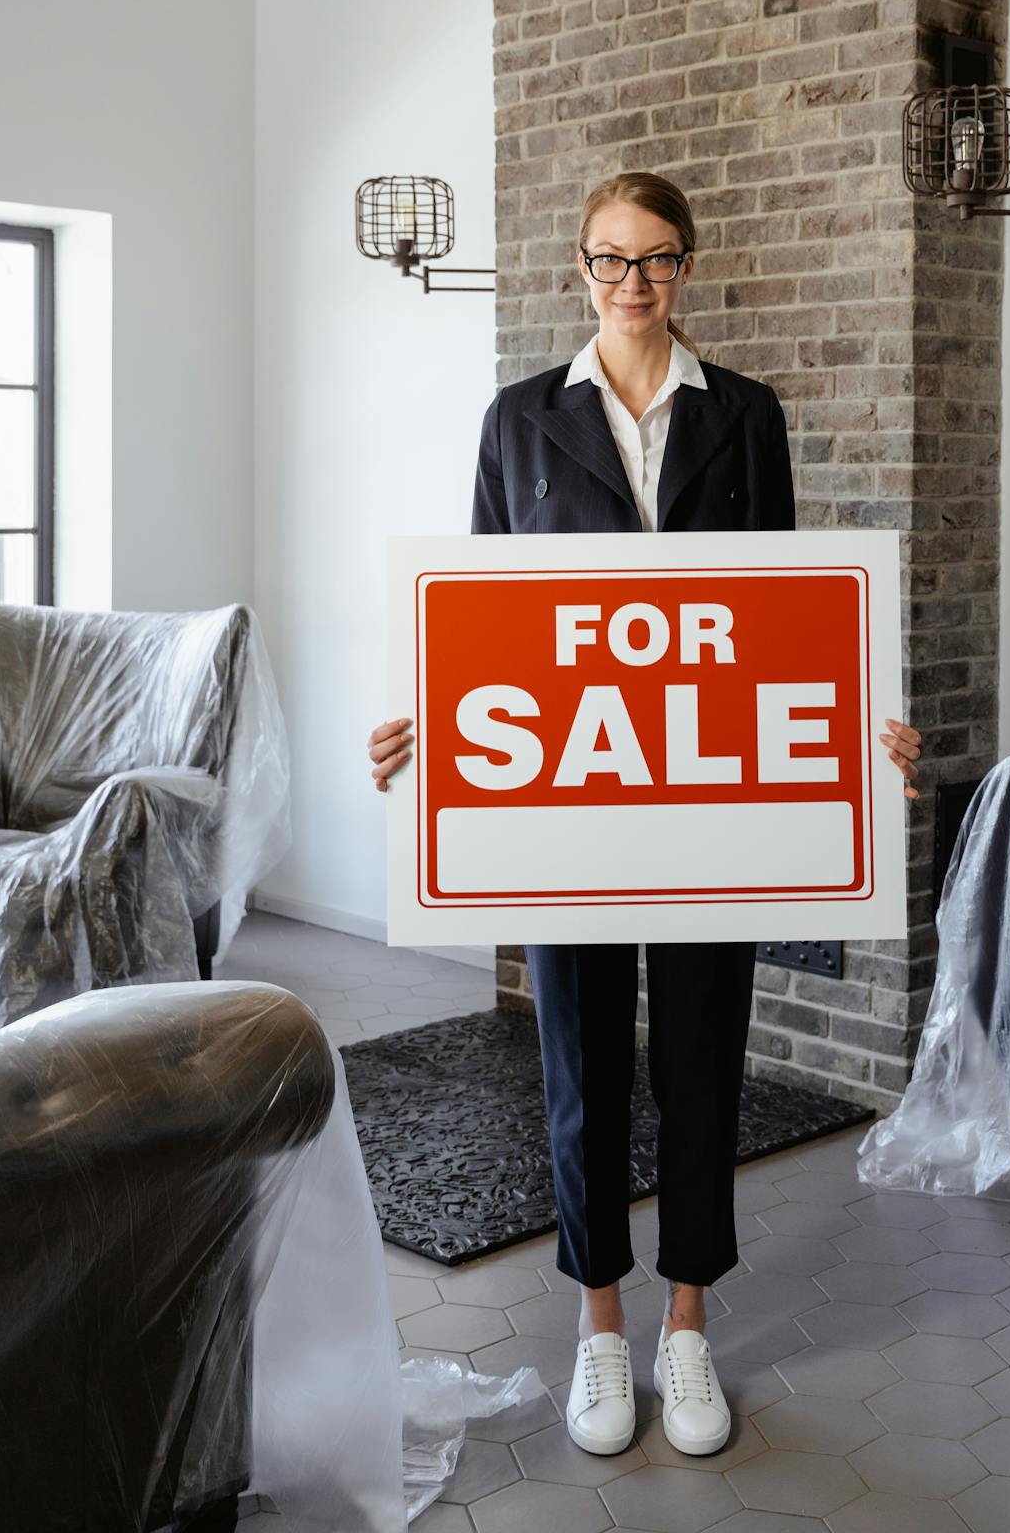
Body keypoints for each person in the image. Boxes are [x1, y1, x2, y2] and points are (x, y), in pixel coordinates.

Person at [368, 170, 922, 1459]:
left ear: (687, 268)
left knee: (698, 1065)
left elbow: (781, 621)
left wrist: (853, 730)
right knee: (579, 1071)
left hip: (707, 814)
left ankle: (687, 1327)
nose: (632, 283)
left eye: (657, 260)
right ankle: (600, 1330)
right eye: (609, 260)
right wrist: (427, 732)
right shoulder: (518, 422)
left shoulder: (747, 416)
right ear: (580, 268)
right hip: (568, 814)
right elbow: (486, 622)